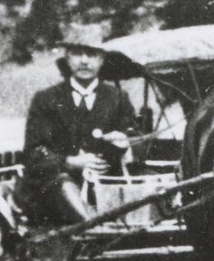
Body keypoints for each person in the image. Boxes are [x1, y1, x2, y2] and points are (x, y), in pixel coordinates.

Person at [21, 37, 138, 228]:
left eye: (91, 54)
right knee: (63, 184)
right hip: (58, 191)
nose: (84, 61)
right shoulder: (46, 99)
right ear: (67, 58)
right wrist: (70, 162)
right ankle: (95, 228)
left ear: (102, 59)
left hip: (107, 188)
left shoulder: (118, 98)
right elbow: (32, 154)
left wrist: (125, 142)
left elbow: (138, 139)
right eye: (77, 54)